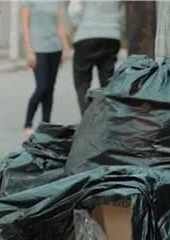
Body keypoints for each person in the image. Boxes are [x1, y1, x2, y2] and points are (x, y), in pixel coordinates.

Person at [20, 1, 70, 140]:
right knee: (42, 87)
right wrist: (28, 50)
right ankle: (28, 124)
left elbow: (59, 25)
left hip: (55, 47)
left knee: (50, 89)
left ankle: (46, 124)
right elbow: (25, 26)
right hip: (38, 48)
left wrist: (66, 48)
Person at [68, 0, 121, 115]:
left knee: (82, 82)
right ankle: (108, 121)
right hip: (111, 36)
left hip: (87, 36)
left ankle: (88, 122)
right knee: (108, 82)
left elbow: (74, 11)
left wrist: (79, 26)